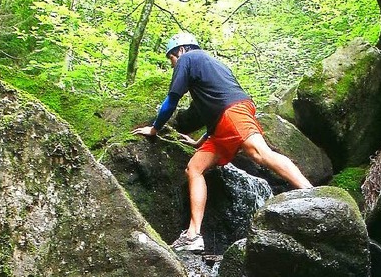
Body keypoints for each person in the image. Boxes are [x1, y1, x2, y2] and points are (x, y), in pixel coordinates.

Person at [133, 32, 312, 252]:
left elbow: (171, 100)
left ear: (180, 50)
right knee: (194, 168)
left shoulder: (188, 58)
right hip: (221, 125)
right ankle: (193, 236)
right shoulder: (211, 67)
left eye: (171, 59)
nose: (172, 65)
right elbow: (210, 107)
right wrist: (199, 142)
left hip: (232, 112)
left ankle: (309, 191)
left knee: (259, 153)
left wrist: (154, 128)